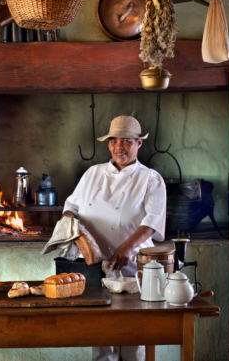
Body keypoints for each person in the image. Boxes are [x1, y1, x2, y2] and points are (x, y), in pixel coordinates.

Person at [61, 115, 166, 361]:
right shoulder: (93, 173)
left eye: (126, 141)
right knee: (101, 337)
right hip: (94, 266)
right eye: (113, 140)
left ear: (139, 144)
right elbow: (71, 206)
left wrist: (127, 246)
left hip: (132, 266)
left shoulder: (150, 178)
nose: (119, 146)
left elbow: (153, 220)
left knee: (133, 337)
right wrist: (71, 226)